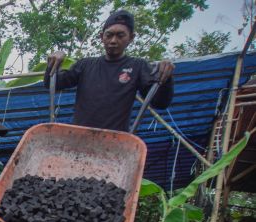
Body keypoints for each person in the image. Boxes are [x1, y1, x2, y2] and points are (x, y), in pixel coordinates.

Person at [44, 10, 175, 132]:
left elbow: (160, 103)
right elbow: (53, 84)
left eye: (120, 35)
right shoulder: (85, 65)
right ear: (102, 37)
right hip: (81, 140)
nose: (113, 40)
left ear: (131, 38)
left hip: (115, 144)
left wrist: (166, 79)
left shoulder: (138, 66)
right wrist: (53, 62)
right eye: (109, 35)